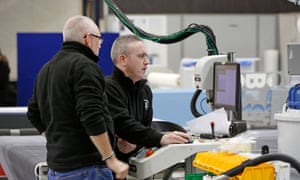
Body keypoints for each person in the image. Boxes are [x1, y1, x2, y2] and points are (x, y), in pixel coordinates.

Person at [26, 15, 128, 180]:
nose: (100, 45)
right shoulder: (85, 67)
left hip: (57, 169)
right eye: (99, 40)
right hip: (87, 170)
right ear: (88, 39)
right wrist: (110, 159)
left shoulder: (47, 69)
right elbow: (91, 116)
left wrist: (58, 141)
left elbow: (33, 112)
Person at [105, 34, 191, 164]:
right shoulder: (108, 88)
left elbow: (143, 129)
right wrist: (160, 138)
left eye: (146, 56)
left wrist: (136, 144)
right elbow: (123, 124)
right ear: (123, 59)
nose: (147, 61)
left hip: (130, 164)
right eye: (141, 56)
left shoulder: (145, 91)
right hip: (105, 168)